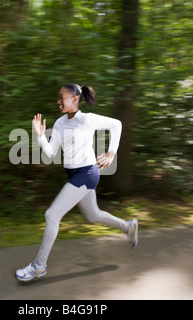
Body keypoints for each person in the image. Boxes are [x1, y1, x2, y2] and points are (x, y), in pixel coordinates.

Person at [15, 84, 139, 282]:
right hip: (73, 175)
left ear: (74, 99)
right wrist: (39, 135)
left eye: (61, 98)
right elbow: (50, 153)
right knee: (93, 215)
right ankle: (128, 226)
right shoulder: (59, 124)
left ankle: (39, 266)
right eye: (58, 98)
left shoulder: (86, 119)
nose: (58, 102)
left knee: (52, 215)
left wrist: (111, 153)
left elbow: (117, 125)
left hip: (88, 172)